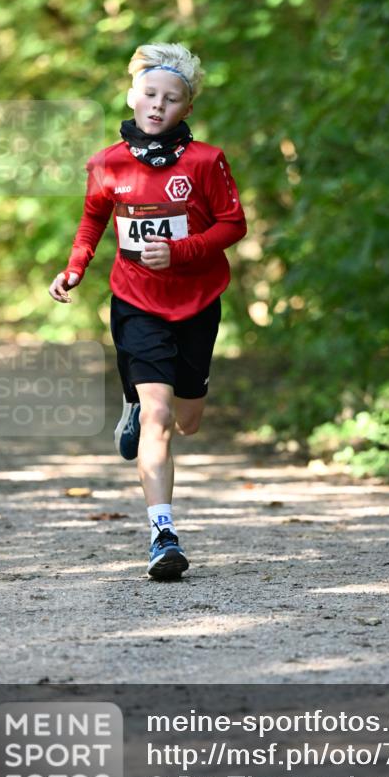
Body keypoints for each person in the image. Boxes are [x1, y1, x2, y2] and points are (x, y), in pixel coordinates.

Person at [48, 42, 247, 581]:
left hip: (199, 301)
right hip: (136, 301)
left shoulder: (206, 161)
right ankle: (163, 535)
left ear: (186, 109)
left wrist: (182, 250)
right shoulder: (106, 164)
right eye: (151, 94)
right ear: (133, 96)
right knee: (159, 417)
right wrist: (74, 268)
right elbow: (92, 221)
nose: (159, 105)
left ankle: (138, 404)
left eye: (173, 98)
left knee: (188, 421)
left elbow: (233, 225)